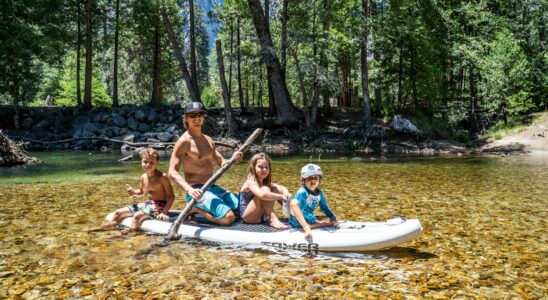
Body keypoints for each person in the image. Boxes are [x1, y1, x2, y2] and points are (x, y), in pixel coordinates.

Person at [168, 102, 243, 225]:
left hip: (213, 188)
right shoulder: (184, 142)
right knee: (228, 218)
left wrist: (234, 159)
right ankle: (195, 209)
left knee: (246, 209)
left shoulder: (208, 140)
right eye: (192, 115)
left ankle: (209, 208)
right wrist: (190, 190)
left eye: (200, 114)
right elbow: (171, 171)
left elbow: (221, 162)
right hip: (197, 191)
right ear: (186, 118)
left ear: (203, 117)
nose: (197, 118)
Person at [102, 148, 175, 234]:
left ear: (157, 162)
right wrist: (133, 192)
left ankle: (130, 233)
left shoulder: (162, 177)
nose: (147, 165)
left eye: (151, 162)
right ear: (141, 162)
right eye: (145, 162)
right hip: (148, 204)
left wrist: (164, 213)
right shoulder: (144, 177)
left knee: (137, 216)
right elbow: (141, 192)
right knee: (118, 212)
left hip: (160, 205)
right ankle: (106, 229)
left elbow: (171, 196)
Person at [239, 153, 291, 229]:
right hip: (249, 218)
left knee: (274, 189)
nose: (264, 169)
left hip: (261, 216)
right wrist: (281, 196)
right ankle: (273, 219)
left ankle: (293, 214)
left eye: (267, 167)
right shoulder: (251, 181)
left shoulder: (263, 181)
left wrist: (286, 192)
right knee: (265, 189)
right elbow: (262, 195)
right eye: (260, 167)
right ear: (253, 167)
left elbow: (280, 187)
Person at [289, 163, 339, 240]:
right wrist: (315, 220)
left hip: (309, 218)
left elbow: (325, 207)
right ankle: (307, 227)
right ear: (303, 180)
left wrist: (332, 217)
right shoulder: (302, 192)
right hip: (298, 220)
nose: (313, 180)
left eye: (315, 178)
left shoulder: (319, 193)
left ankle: (313, 225)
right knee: (294, 202)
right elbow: (302, 211)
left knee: (328, 218)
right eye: (309, 178)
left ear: (319, 180)